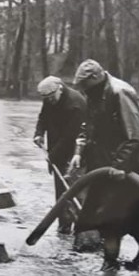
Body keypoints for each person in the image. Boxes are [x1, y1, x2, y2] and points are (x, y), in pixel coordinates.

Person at [69, 59, 139, 271]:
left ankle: (110, 265)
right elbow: (88, 125)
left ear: (95, 78)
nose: (82, 90)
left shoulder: (119, 92)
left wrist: (120, 165)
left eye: (84, 85)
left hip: (126, 166)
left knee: (111, 217)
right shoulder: (94, 93)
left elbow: (134, 134)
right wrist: (78, 152)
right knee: (124, 213)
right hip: (103, 164)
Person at [33, 76, 87, 234]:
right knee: (60, 190)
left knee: (74, 189)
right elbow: (42, 117)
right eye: (46, 99)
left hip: (75, 152)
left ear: (60, 89)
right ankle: (64, 226)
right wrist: (39, 133)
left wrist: (52, 156)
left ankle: (80, 228)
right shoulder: (49, 99)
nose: (49, 101)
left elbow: (70, 136)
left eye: (51, 97)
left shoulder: (76, 104)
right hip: (57, 149)